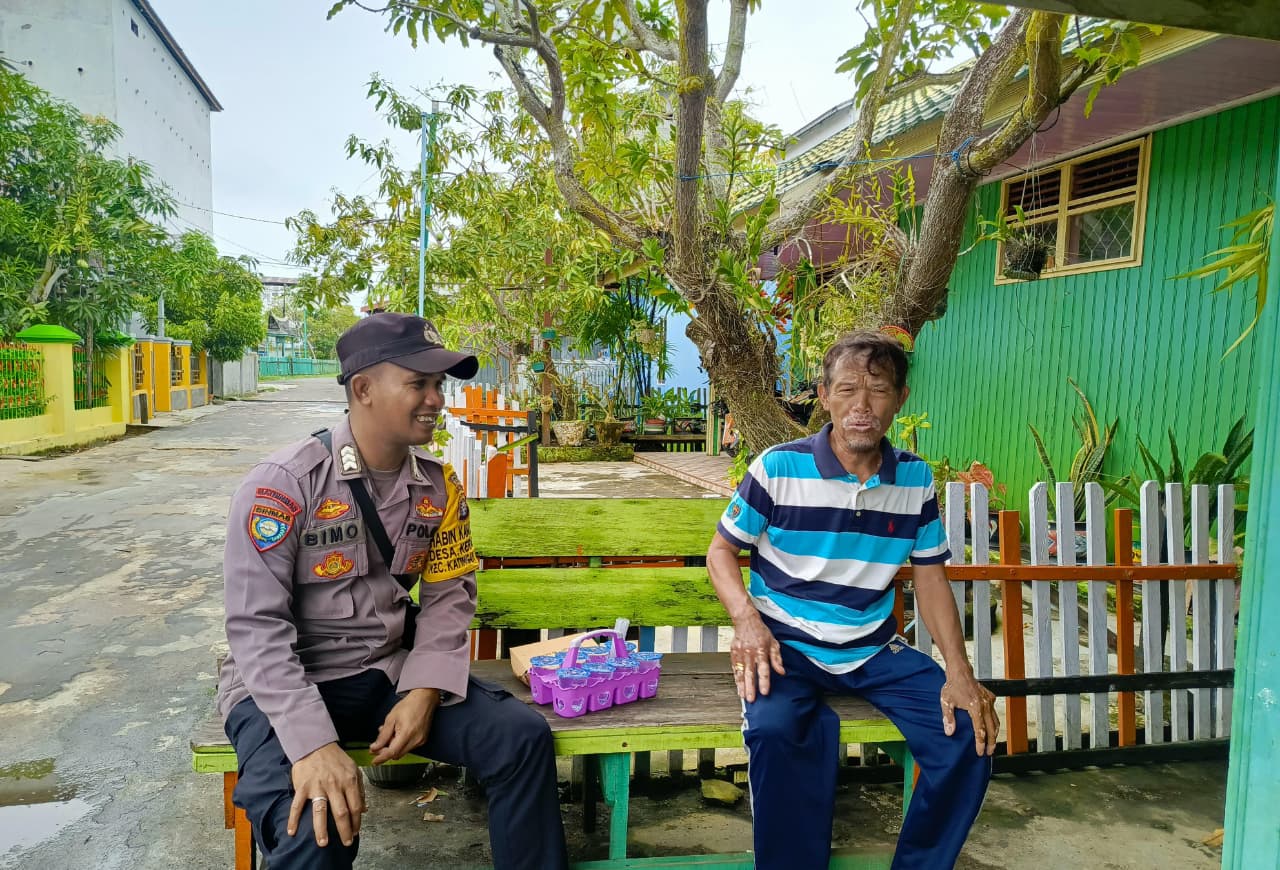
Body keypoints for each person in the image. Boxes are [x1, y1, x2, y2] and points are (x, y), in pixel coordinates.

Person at [216, 312, 567, 870]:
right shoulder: (282, 486)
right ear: (363, 389)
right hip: (285, 687)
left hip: (384, 673)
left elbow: (451, 595)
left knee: (520, 739)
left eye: (439, 385)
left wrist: (426, 689)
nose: (436, 399)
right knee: (320, 822)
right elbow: (256, 629)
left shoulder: (439, 487)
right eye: (418, 383)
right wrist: (311, 745)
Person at [706, 330, 997, 870]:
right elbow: (721, 552)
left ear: (902, 398)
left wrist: (959, 670)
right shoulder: (777, 468)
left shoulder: (914, 480)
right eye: (846, 390)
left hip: (872, 648)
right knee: (775, 732)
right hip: (785, 645)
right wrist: (747, 619)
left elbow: (931, 578)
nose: (861, 407)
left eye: (878, 391)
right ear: (823, 395)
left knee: (966, 738)